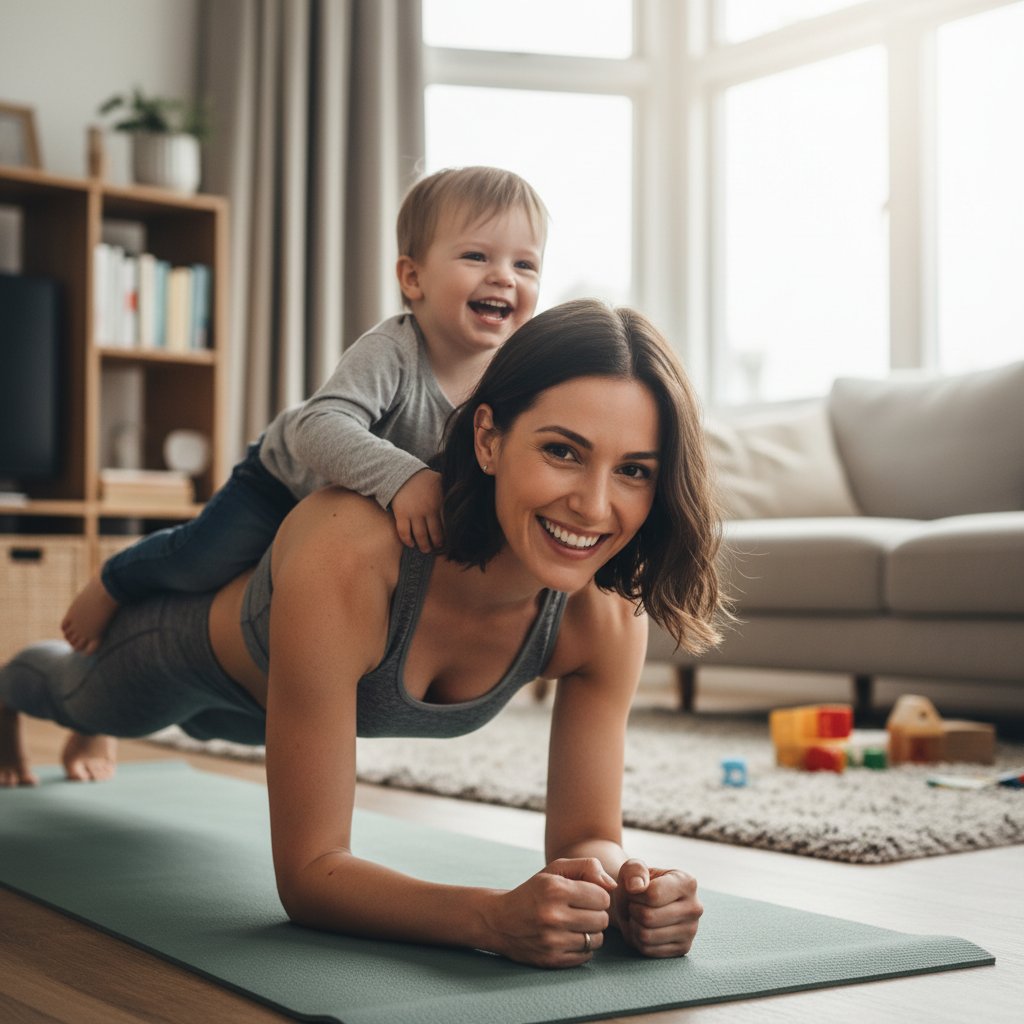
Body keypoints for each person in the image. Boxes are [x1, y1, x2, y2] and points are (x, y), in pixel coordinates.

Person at [0, 299, 724, 969]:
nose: (594, 506)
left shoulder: (606, 614)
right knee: (73, 692)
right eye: (562, 451)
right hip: (183, 660)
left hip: (293, 712)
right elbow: (311, 875)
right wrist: (489, 918)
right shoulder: (348, 546)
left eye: (634, 471)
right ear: (488, 438)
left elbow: (585, 839)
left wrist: (630, 888)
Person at [61, 165, 547, 659]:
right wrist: (403, 477)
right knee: (200, 562)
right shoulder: (394, 350)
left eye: (525, 265)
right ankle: (113, 581)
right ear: (413, 277)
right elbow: (317, 427)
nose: (503, 277)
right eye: (476, 256)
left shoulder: (510, 378)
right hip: (281, 485)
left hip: (357, 520)